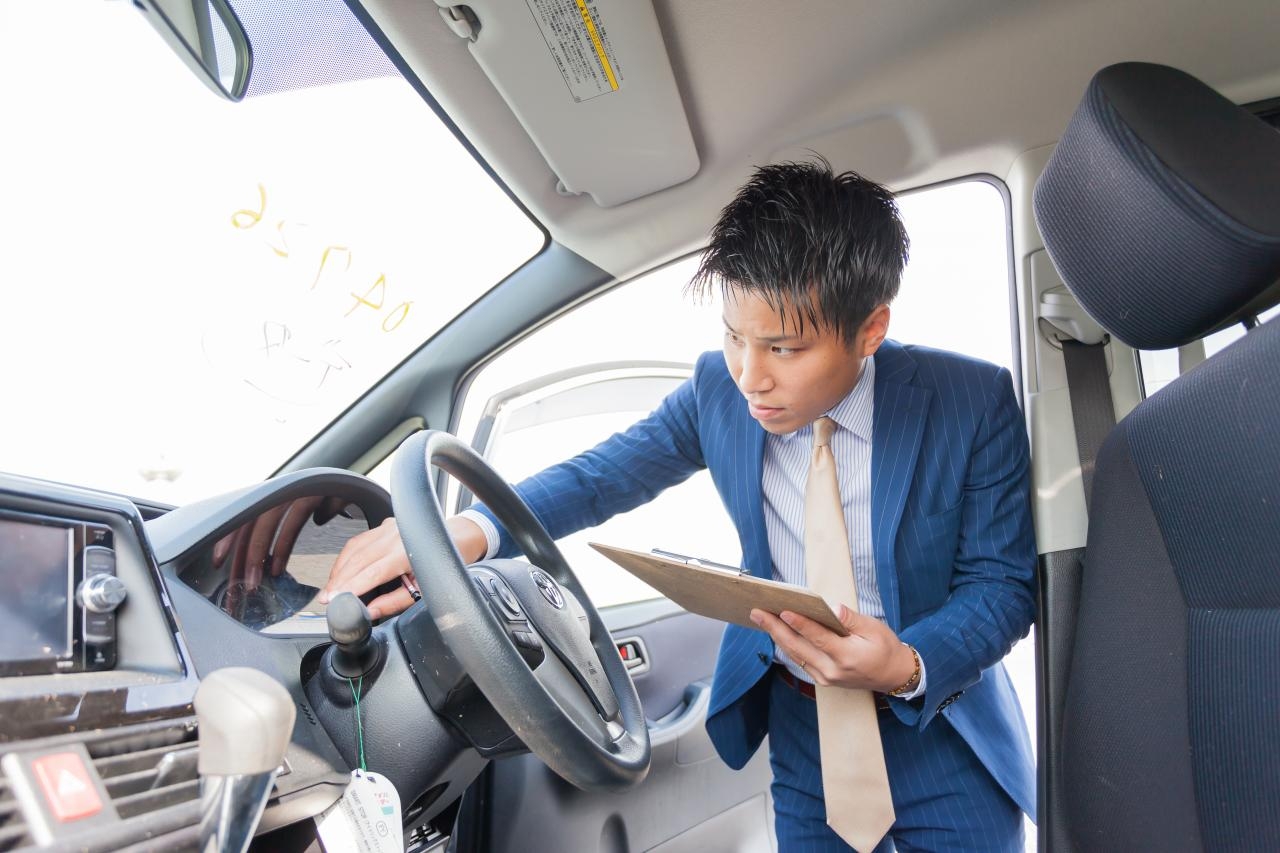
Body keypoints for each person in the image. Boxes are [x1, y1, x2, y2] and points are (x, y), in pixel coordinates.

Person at [322, 160, 1036, 852]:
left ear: (870, 330)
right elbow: (603, 475)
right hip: (802, 725)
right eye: (734, 336)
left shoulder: (971, 404)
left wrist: (906, 663)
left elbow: (1000, 588)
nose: (751, 377)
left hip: (941, 726)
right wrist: (471, 530)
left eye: (784, 348)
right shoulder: (717, 391)